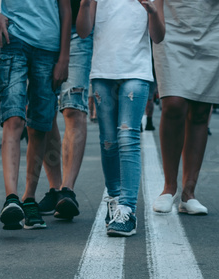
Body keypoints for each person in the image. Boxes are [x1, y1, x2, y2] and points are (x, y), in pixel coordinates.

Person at [0, 0, 71, 231]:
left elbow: (65, 8)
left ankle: (29, 198)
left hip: (49, 48)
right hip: (13, 40)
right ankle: (12, 198)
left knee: (39, 126)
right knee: (14, 118)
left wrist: (64, 57)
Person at [76, 0, 164, 237]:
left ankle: (127, 209)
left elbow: (158, 36)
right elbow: (83, 31)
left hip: (136, 71)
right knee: (108, 141)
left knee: (127, 137)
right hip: (103, 72)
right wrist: (85, 4)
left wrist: (153, 11)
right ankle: (114, 200)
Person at [151, 0, 219, 216]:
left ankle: (189, 192)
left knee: (200, 110)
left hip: (216, 24)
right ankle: (169, 187)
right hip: (172, 22)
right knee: (173, 104)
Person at [36, 0, 94, 222]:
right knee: (44, 110)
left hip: (77, 32)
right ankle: (55, 189)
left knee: (73, 108)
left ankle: (67, 190)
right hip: (41, 29)